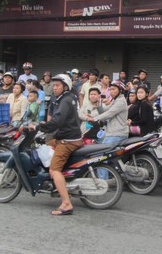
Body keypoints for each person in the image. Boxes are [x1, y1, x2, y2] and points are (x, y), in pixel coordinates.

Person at [28, 74, 82, 216]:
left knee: (54, 170)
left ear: (65, 87)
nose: (55, 88)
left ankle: (66, 203)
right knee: (43, 146)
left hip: (67, 141)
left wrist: (40, 127)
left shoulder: (65, 100)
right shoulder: (66, 99)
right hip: (63, 137)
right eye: (54, 85)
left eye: (58, 85)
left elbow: (57, 121)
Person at [87, 80, 129, 146]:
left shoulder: (121, 101)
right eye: (110, 90)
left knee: (102, 153)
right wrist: (99, 103)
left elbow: (109, 113)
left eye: (113, 89)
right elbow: (103, 111)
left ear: (120, 90)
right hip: (111, 134)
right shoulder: (115, 100)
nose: (111, 92)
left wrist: (94, 118)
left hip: (117, 134)